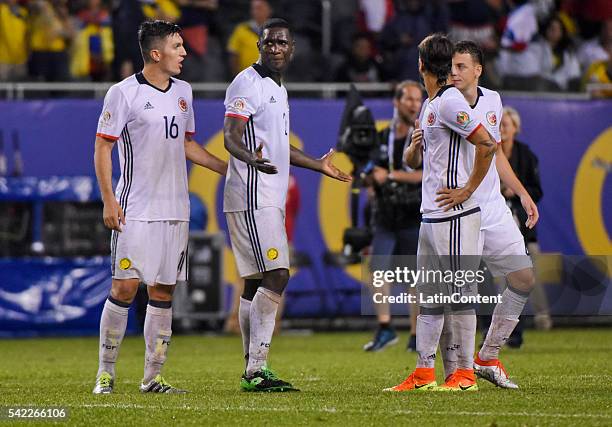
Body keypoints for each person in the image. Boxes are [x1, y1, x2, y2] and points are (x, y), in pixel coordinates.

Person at [92, 20, 227, 394]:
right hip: (135, 207)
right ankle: (105, 372)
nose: (184, 52)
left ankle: (153, 377)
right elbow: (103, 147)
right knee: (124, 288)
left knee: (163, 292)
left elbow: (186, 144)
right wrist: (109, 199)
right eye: (177, 46)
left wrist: (227, 168)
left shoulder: (184, 92)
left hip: (175, 208)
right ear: (156, 53)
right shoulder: (123, 93)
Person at [223, 18, 351, 392]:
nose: (276, 48)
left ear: (291, 48)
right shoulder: (247, 83)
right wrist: (250, 158)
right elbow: (231, 136)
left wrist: (318, 164)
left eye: (283, 43)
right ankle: (256, 369)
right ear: (260, 46)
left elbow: (279, 146)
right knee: (278, 274)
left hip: (267, 195)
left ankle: (253, 368)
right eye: (270, 43)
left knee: (255, 282)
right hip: (252, 192)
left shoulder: (278, 88)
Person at [384, 33, 496, 392]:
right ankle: (423, 373)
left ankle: (463, 374)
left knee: (461, 294)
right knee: (430, 296)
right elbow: (418, 159)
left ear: (421, 64)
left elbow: (487, 143)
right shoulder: (432, 103)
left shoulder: (449, 102)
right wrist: (414, 150)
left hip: (457, 214)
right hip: (431, 213)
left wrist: (468, 189)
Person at [439, 40, 540, 389]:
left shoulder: (493, 100)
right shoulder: (444, 102)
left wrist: (523, 193)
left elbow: (494, 152)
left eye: (461, 66)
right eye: (452, 66)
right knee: (456, 292)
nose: (453, 72)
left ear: (478, 70)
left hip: (493, 207)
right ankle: (454, 369)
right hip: (460, 208)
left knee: (523, 278)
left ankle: (488, 356)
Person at [362, 80, 423, 352]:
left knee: (414, 278)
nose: (414, 104)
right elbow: (372, 171)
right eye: (408, 98)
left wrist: (392, 175)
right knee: (377, 272)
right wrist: (372, 181)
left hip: (414, 212)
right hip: (386, 215)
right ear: (396, 102)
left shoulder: (424, 135)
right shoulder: (381, 136)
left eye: (417, 99)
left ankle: (415, 334)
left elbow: (429, 175)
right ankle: (385, 328)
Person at [500, 106, 552, 332]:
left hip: (524, 228)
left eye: (506, 125)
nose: (501, 128)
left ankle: (542, 317)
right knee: (501, 277)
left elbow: (537, 190)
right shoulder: (486, 150)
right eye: (499, 124)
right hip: (498, 225)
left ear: (515, 129)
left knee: (532, 277)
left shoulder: (526, 155)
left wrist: (517, 192)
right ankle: (506, 324)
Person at [226, 0, 272, 77]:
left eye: (259, 8)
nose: (255, 11)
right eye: (253, 8)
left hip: (271, 80)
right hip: (247, 79)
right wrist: (237, 77)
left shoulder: (277, 30)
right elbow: (233, 55)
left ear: (269, 10)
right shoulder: (241, 29)